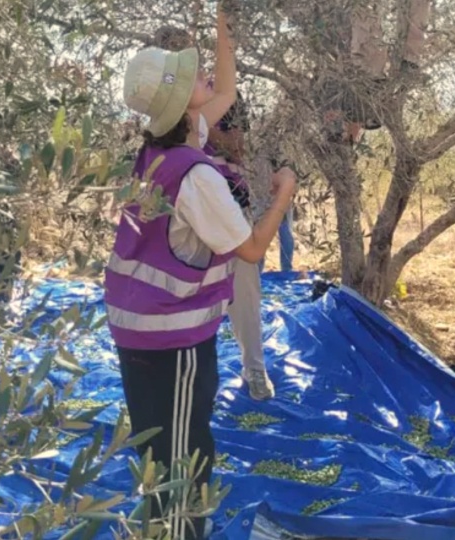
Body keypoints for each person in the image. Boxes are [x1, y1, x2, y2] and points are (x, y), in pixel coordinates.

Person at [109, 6, 296, 538]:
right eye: (192, 75)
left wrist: (223, 25)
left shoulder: (162, 147)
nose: (206, 78)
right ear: (182, 101)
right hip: (171, 339)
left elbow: (228, 89)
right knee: (186, 451)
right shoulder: (196, 175)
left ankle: (164, 526)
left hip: (137, 328)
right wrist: (283, 194)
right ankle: (178, 531)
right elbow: (254, 249)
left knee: (160, 446)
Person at [152, 25, 276, 401]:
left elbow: (232, 121)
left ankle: (254, 368)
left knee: (245, 287)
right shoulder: (175, 131)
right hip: (187, 216)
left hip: (224, 207)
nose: (200, 71)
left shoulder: (199, 116)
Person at [312, 0, 431, 144]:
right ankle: (345, 133)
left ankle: (409, 59)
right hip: (362, 77)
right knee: (364, 32)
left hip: (364, 75)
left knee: (365, 38)